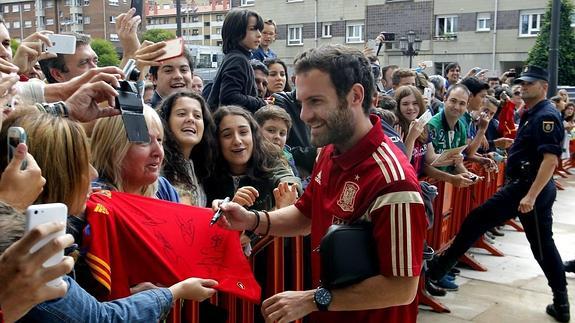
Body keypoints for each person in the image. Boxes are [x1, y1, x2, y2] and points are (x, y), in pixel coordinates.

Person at [214, 45, 427, 323]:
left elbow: (401, 288)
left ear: (355, 96)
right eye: (301, 102)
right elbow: (306, 214)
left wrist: (312, 299)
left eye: (315, 101)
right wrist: (251, 219)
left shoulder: (394, 182)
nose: (303, 115)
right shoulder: (329, 150)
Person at [427, 65, 570, 323]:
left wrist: (530, 196)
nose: (523, 86)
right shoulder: (533, 112)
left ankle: (436, 270)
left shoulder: (545, 116)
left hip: (528, 188)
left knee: (535, 243)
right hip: (523, 185)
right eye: (522, 82)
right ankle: (437, 270)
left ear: (544, 87)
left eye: (530, 83)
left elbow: (550, 161)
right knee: (490, 226)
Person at [91, 105, 179, 202]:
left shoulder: (164, 190)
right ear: (114, 147)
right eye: (145, 141)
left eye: (159, 140)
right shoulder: (94, 197)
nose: (158, 152)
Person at [158, 91, 216, 206]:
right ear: (166, 121)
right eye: (181, 114)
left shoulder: (203, 169)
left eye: (197, 116)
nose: (191, 119)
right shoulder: (156, 165)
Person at [207, 8, 267, 112]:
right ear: (236, 31)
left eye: (259, 30)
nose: (259, 34)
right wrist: (261, 103)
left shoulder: (236, 57)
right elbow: (229, 97)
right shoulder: (237, 60)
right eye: (252, 29)